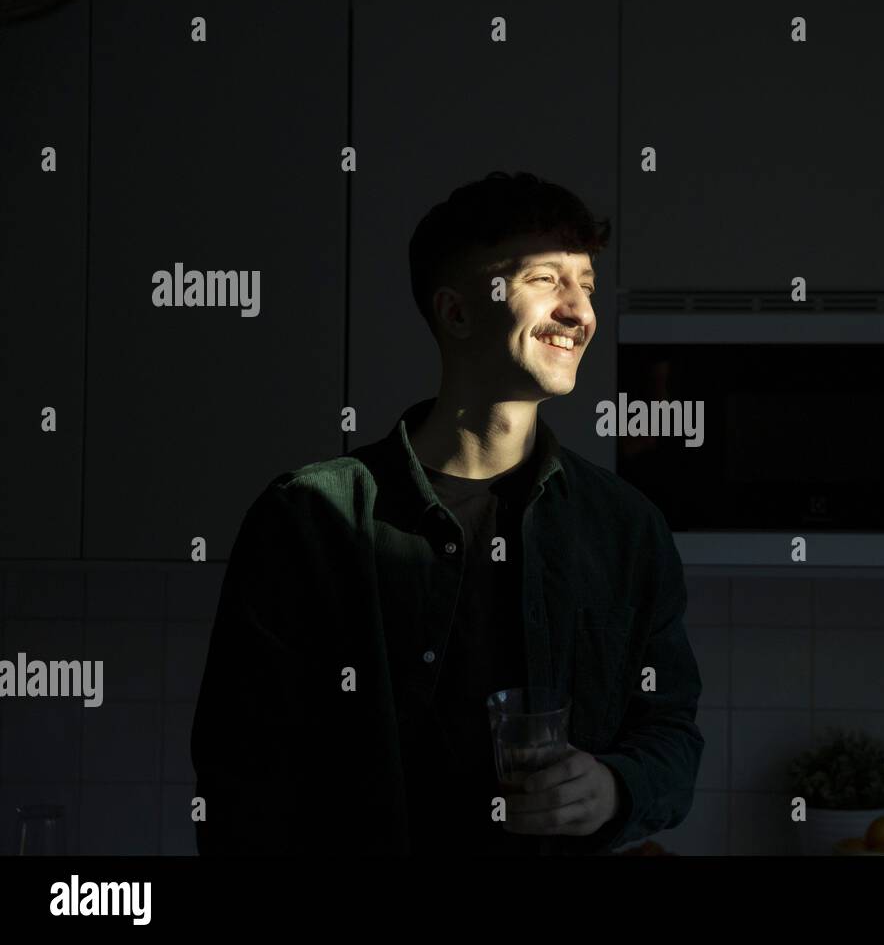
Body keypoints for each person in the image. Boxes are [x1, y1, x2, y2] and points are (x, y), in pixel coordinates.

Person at [191, 171, 704, 855]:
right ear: (456, 313)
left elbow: (670, 732)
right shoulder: (309, 519)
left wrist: (614, 788)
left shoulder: (626, 528)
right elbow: (241, 783)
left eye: (585, 283)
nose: (581, 311)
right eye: (547, 280)